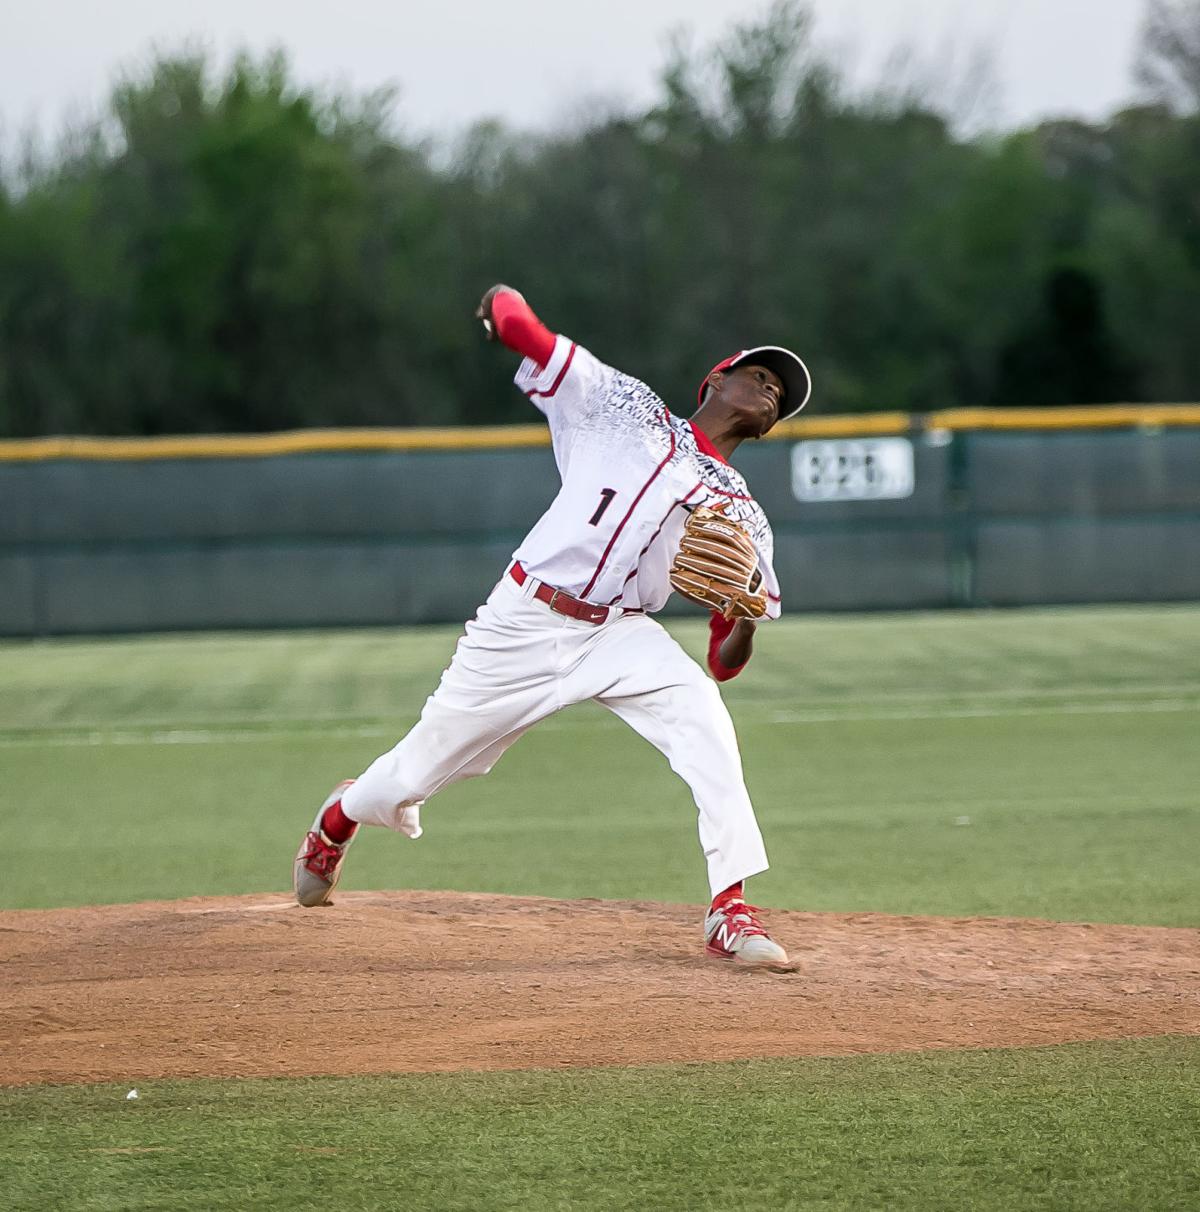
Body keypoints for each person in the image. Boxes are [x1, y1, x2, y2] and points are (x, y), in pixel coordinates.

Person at [293, 285, 811, 966]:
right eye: (760, 375)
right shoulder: (624, 406)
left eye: (781, 394)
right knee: (410, 776)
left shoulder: (742, 515)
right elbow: (526, 329)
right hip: (525, 619)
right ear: (714, 380)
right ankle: (340, 816)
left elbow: (723, 661)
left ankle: (730, 910)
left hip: (621, 634)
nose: (771, 391)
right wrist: (500, 307)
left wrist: (743, 620)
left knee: (705, 719)